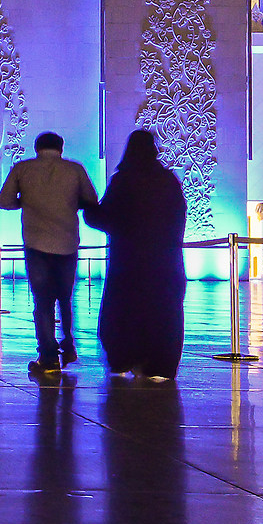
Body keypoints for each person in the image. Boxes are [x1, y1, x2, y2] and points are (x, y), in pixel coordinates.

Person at [0, 130, 101, 379]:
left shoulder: (23, 169)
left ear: (37, 147)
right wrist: (67, 203)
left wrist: (28, 201)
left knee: (43, 301)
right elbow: (91, 199)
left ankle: (48, 357)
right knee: (65, 298)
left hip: (36, 243)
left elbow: (4, 201)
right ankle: (68, 345)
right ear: (61, 148)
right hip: (67, 243)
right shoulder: (74, 170)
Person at [85, 129, 186, 380]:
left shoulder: (124, 180)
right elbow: (179, 218)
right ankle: (160, 365)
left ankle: (124, 359)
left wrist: (87, 207)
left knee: (124, 311)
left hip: (128, 263)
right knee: (163, 311)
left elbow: (106, 218)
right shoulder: (168, 181)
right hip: (165, 262)